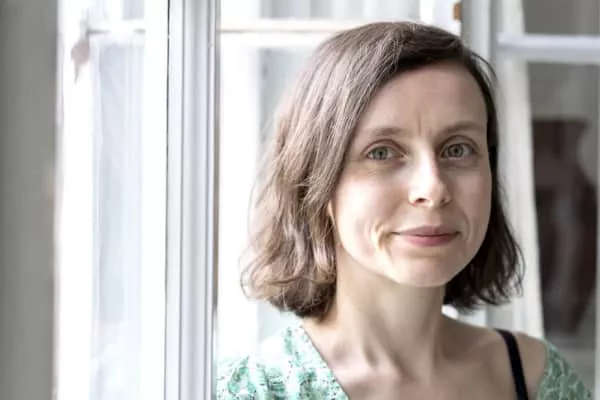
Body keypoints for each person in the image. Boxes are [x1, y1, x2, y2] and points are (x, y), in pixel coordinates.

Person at [217, 21, 592, 399]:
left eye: (458, 149)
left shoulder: (538, 378)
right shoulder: (246, 390)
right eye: (382, 152)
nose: (433, 188)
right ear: (315, 179)